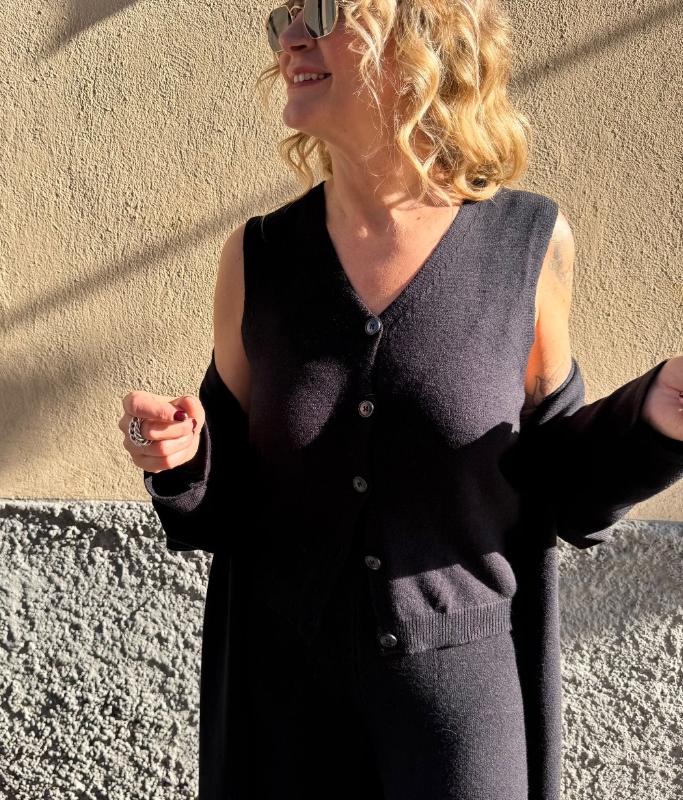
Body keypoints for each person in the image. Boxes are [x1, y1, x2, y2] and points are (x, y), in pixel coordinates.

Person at [119, 0, 683, 797]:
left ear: (424, 34)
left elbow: (559, 482)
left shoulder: (526, 244)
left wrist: (656, 420)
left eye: (324, 9)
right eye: (283, 16)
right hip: (285, 709)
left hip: (463, 708)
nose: (291, 36)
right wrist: (180, 461)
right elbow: (227, 502)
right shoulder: (259, 257)